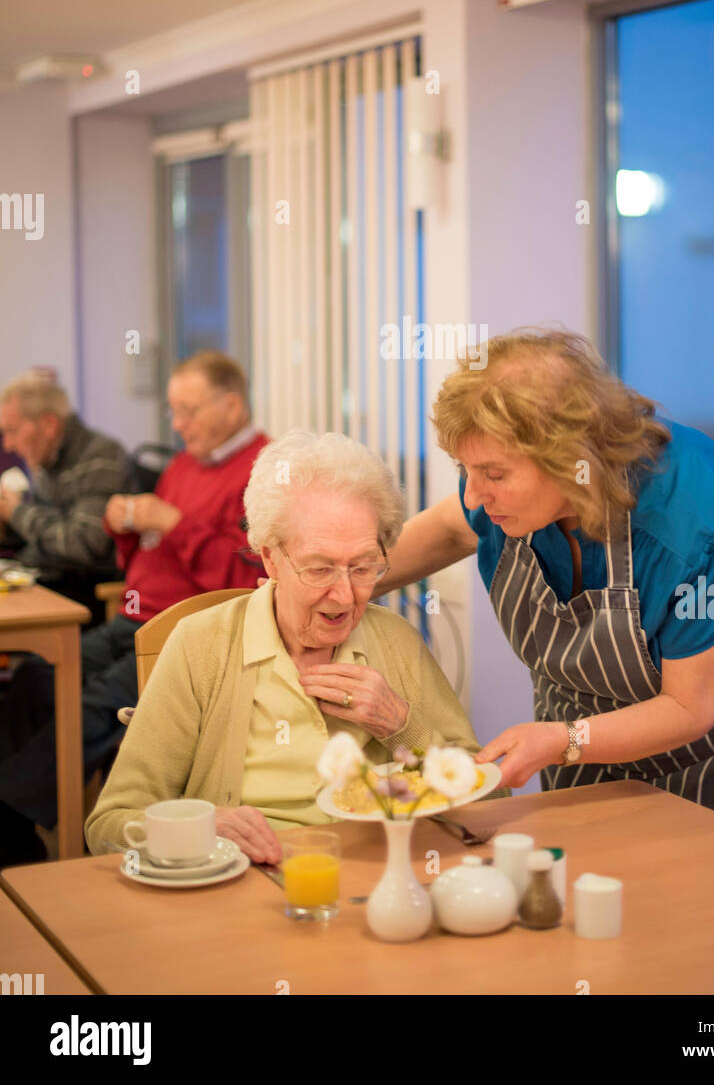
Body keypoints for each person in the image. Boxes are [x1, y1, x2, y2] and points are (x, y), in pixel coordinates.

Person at [374, 328, 714, 836]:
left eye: (492, 474)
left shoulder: (686, 517)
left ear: (570, 459)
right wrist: (342, 579)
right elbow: (449, 529)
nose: (473, 496)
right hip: (573, 716)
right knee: (588, 867)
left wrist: (561, 740)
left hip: (705, 731)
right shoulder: (505, 495)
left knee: (700, 881)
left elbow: (691, 706)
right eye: (465, 470)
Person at [86, 430, 490, 864]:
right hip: (242, 887)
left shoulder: (395, 642)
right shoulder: (201, 645)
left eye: (363, 567)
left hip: (380, 876)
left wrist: (401, 726)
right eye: (319, 569)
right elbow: (109, 825)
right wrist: (198, 827)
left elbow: (489, 796)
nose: (345, 596)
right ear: (270, 556)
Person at [0, 351, 268, 868]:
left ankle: (10, 829)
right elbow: (150, 552)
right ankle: (22, 829)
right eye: (174, 411)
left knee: (89, 706)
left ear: (232, 406)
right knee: (34, 676)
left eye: (189, 411)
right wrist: (125, 528)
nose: (177, 424)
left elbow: (250, 582)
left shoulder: (261, 470)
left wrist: (171, 522)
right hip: (133, 616)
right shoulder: (185, 464)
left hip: (186, 632)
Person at [0, 372, 131, 610]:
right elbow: (43, 530)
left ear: (48, 425)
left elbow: (84, 545)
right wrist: (7, 524)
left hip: (86, 591)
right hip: (48, 579)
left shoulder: (101, 456)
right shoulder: (47, 457)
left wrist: (16, 513)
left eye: (13, 430)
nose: (7, 444)